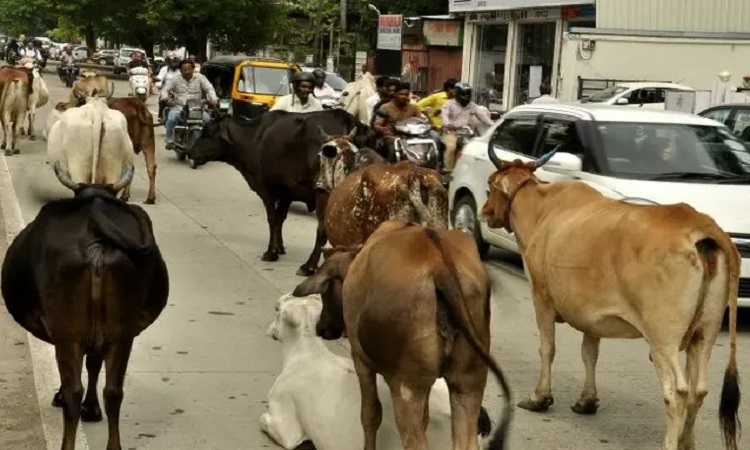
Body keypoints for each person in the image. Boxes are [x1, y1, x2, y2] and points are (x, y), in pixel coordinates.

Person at [160, 59, 218, 150]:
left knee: (207, 120)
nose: (187, 72)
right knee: (171, 119)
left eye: (189, 69)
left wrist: (213, 99)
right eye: (184, 70)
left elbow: (209, 88)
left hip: (196, 107)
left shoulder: (200, 78)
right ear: (180, 70)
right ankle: (170, 140)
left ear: (193, 69)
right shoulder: (175, 79)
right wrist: (167, 99)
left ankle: (207, 141)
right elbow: (164, 90)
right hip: (179, 107)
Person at [441, 82, 494, 175]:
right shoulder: (448, 104)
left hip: (467, 133)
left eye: (467, 94)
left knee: (478, 148)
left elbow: (484, 117)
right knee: (451, 147)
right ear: (457, 93)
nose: (465, 96)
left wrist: (495, 125)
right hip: (451, 132)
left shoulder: (472, 106)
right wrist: (448, 124)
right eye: (463, 94)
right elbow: (444, 116)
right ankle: (449, 170)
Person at [373, 81, 428, 162]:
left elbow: (420, 121)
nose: (404, 97)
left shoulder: (414, 108)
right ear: (395, 95)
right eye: (401, 94)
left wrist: (426, 124)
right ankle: (390, 169)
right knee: (393, 149)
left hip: (412, 136)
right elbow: (377, 124)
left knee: (429, 145)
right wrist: (382, 129)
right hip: (393, 137)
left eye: (406, 95)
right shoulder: (385, 108)